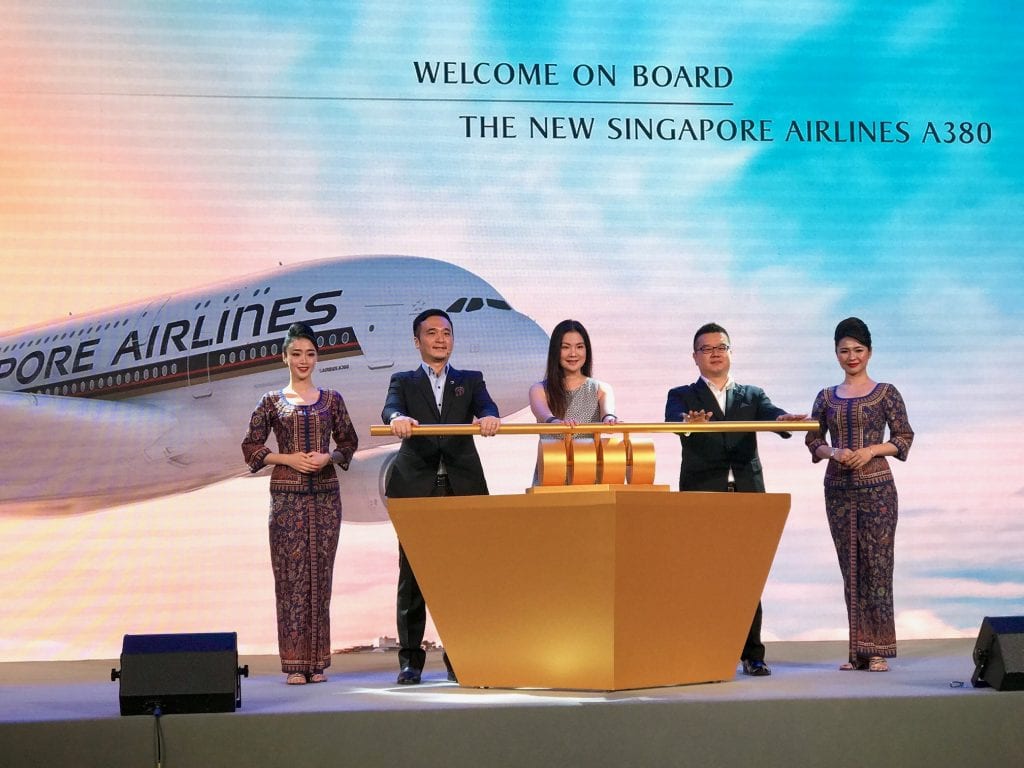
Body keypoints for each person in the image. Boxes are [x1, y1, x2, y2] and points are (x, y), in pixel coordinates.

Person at [664, 322, 806, 677]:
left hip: (747, 493)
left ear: (730, 352)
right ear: (695, 356)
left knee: (747, 576)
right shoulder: (681, 395)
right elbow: (674, 422)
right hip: (702, 493)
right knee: (702, 575)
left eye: (721, 347)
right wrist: (690, 423)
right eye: (707, 348)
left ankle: (752, 654)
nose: (715, 353)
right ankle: (702, 653)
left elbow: (773, 415)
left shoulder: (752, 395)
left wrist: (783, 419)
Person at [382, 308, 501, 685]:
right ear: (416, 341)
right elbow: (390, 409)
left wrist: (489, 417)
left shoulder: (471, 380)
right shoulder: (403, 380)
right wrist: (396, 419)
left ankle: (459, 656)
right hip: (414, 487)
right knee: (412, 575)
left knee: (463, 575)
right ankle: (410, 661)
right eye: (431, 332)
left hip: (461, 485)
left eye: (446, 332)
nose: (440, 339)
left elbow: (488, 407)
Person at [241, 322, 359, 685]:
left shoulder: (333, 400)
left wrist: (329, 457)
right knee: (290, 580)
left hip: (326, 498)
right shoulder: (270, 402)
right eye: (296, 354)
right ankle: (294, 665)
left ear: (317, 358)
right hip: (286, 499)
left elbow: (349, 443)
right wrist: (288, 459)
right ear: (284, 358)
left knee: (320, 579)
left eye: (309, 354)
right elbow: (251, 448)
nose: (303, 360)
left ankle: (317, 663)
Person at [806, 317, 913, 672]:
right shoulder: (825, 397)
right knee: (850, 568)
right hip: (838, 490)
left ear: (869, 352)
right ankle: (857, 653)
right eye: (844, 351)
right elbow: (813, 440)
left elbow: (903, 438)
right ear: (835, 353)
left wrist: (869, 451)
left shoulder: (886, 393)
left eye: (858, 350)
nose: (851, 357)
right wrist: (834, 452)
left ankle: (878, 650)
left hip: (878, 491)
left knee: (878, 567)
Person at [529, 320, 617, 483]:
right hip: (551, 474)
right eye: (565, 347)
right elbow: (544, 415)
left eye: (579, 347)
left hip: (589, 476)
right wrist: (558, 423)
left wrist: (609, 419)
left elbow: (608, 413)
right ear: (555, 351)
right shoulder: (539, 389)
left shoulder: (601, 388)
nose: (573, 353)